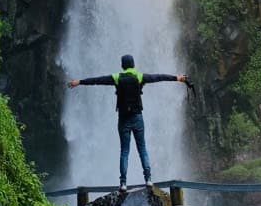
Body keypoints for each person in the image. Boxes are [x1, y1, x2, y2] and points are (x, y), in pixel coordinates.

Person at [67, 54, 187, 192]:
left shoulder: (117, 78)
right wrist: (177, 78)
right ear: (133, 65)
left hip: (123, 118)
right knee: (142, 149)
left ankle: (123, 183)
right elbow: (158, 77)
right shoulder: (140, 77)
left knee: (124, 151)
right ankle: (148, 179)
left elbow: (97, 80)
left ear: (122, 65)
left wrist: (79, 82)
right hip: (137, 117)